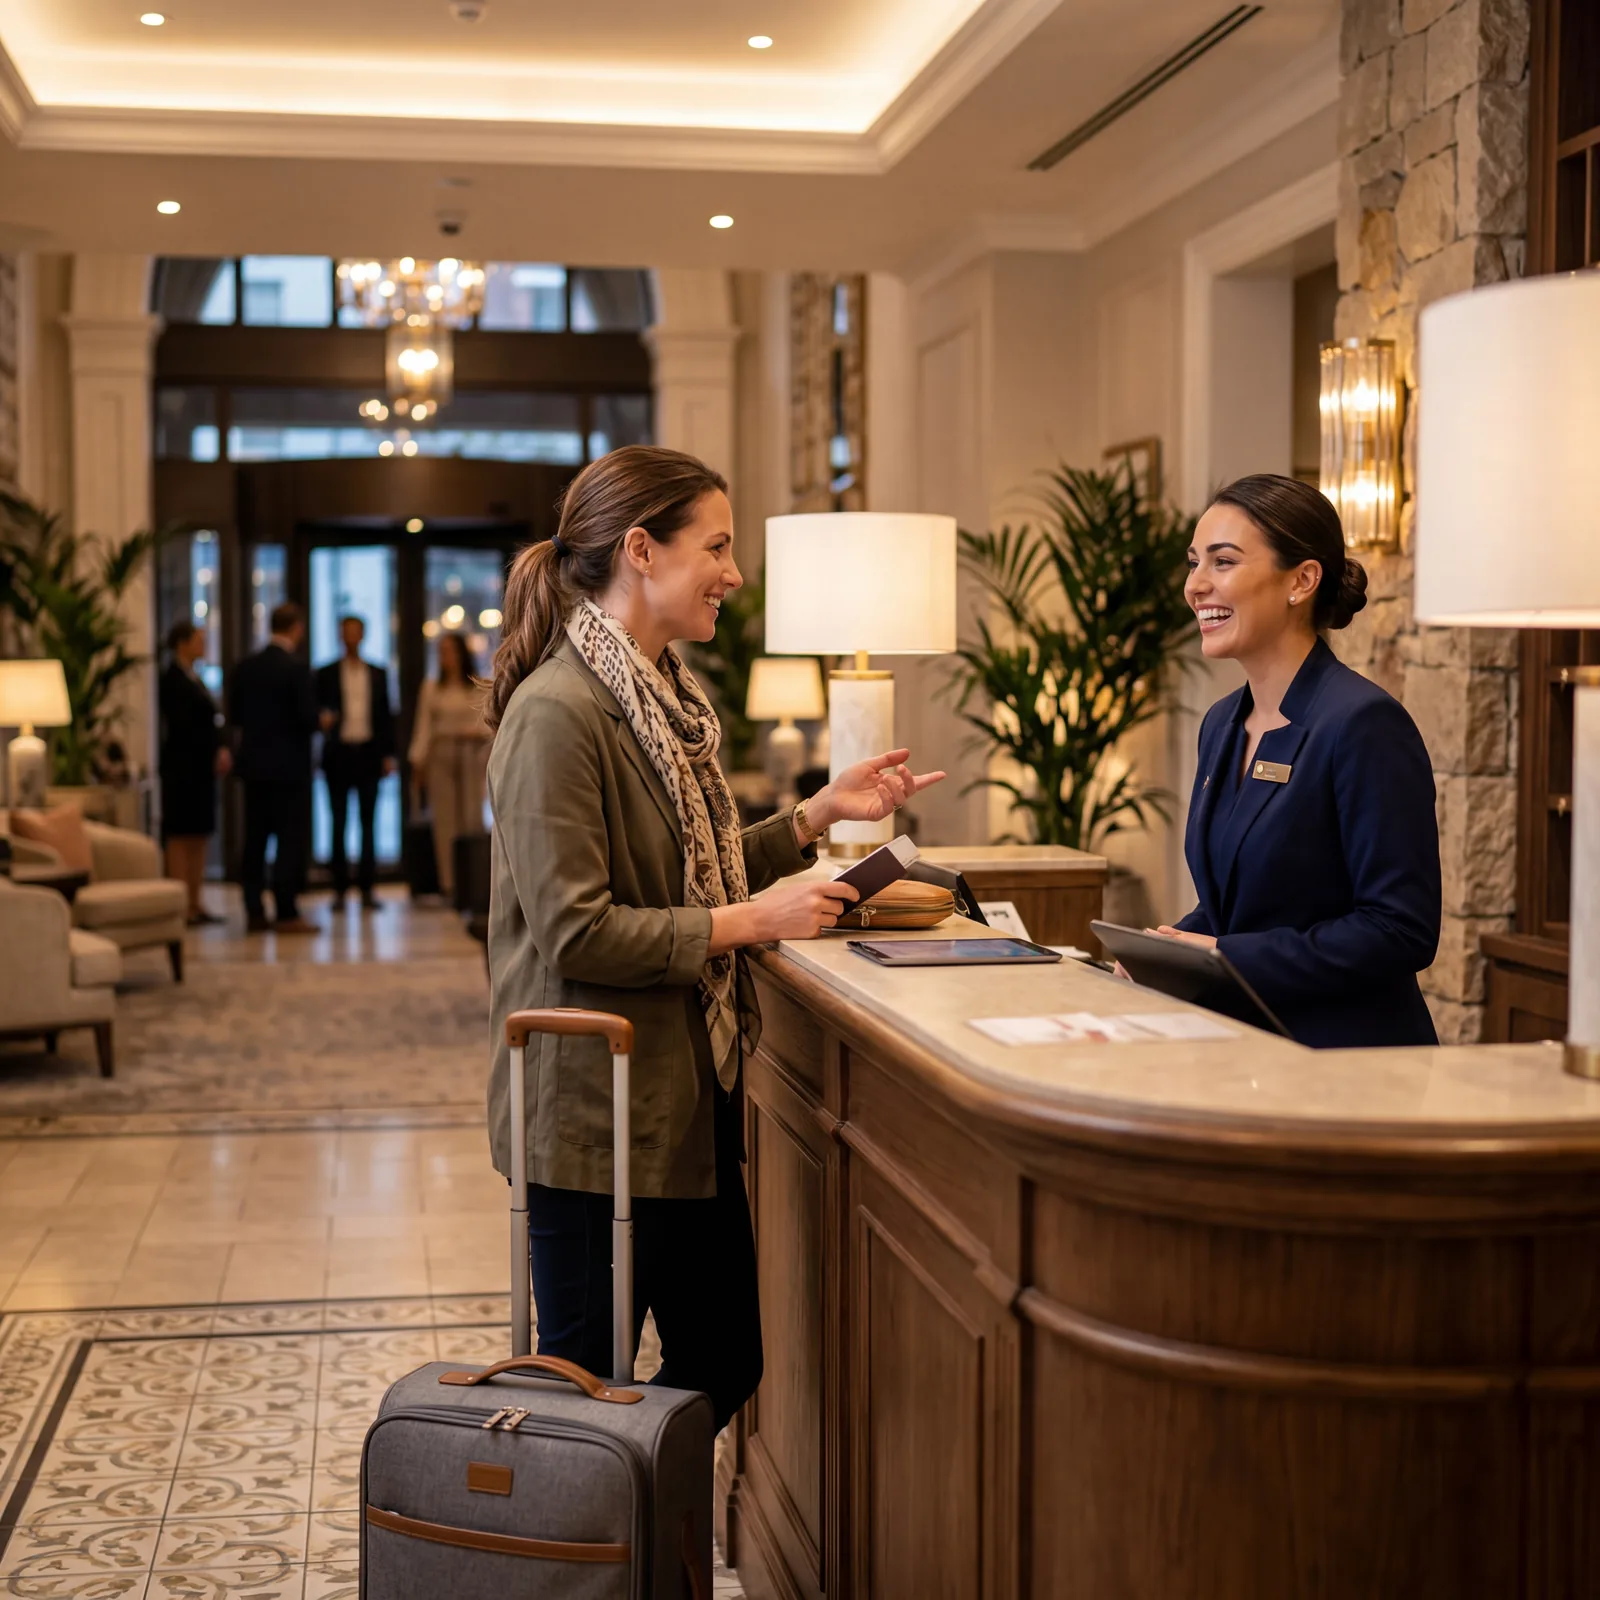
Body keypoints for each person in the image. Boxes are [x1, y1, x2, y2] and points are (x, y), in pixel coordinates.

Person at [483, 444, 944, 1430]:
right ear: (640, 550)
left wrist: (816, 816)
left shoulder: (666, 703)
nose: (735, 575)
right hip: (593, 1117)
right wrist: (752, 922)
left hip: (681, 1103)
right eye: (719, 546)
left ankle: (641, 1531)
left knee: (722, 1353)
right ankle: (602, 1558)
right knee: (580, 1398)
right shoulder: (558, 714)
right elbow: (577, 931)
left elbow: (694, 867)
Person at [1151, 472, 1441, 1048]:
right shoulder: (1220, 724)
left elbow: (1400, 929)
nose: (1196, 586)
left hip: (1347, 1062)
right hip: (1247, 1050)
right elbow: (1235, 908)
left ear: (1302, 580)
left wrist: (1225, 955)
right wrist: (1165, 951)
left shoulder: (1362, 723)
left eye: (1223, 562)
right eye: (1193, 563)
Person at [228, 600, 320, 934]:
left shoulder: (246, 667)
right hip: (289, 770)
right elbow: (308, 719)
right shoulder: (296, 669)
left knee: (254, 839)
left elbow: (235, 716)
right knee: (287, 840)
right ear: (296, 628)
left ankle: (253, 909)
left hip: (254, 768)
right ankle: (285, 910)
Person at [316, 615, 396, 910]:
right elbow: (317, 713)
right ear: (340, 635)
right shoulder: (325, 673)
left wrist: (389, 755)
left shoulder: (377, 673)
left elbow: (386, 716)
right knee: (338, 823)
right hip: (338, 755)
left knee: (368, 824)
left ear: (362, 635)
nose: (351, 637)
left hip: (368, 754)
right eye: (346, 632)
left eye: (355, 632)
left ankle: (367, 888)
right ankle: (338, 889)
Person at [158, 621, 230, 925]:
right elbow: (185, 727)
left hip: (201, 771)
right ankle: (181, 905)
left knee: (199, 833)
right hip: (182, 770)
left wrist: (219, 749)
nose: (204, 645)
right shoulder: (172, 679)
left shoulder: (195, 678)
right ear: (182, 644)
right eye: (199, 640)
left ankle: (195, 901)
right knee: (180, 834)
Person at [408, 630, 489, 898]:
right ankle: (449, 883)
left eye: (451, 651)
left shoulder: (477, 685)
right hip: (440, 754)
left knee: (471, 816)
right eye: (442, 652)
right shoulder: (432, 687)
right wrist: (418, 761)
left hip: (470, 753)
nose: (446, 657)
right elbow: (423, 727)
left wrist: (476, 734)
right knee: (444, 820)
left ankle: (473, 880)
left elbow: (488, 723)